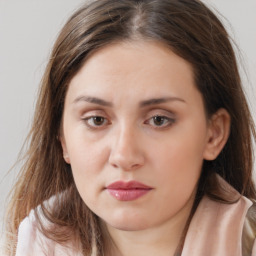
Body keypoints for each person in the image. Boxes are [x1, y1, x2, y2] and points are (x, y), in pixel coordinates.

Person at [3, 0, 256, 255]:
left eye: (159, 119)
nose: (124, 156)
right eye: (97, 120)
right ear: (62, 138)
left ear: (214, 135)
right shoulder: (33, 242)